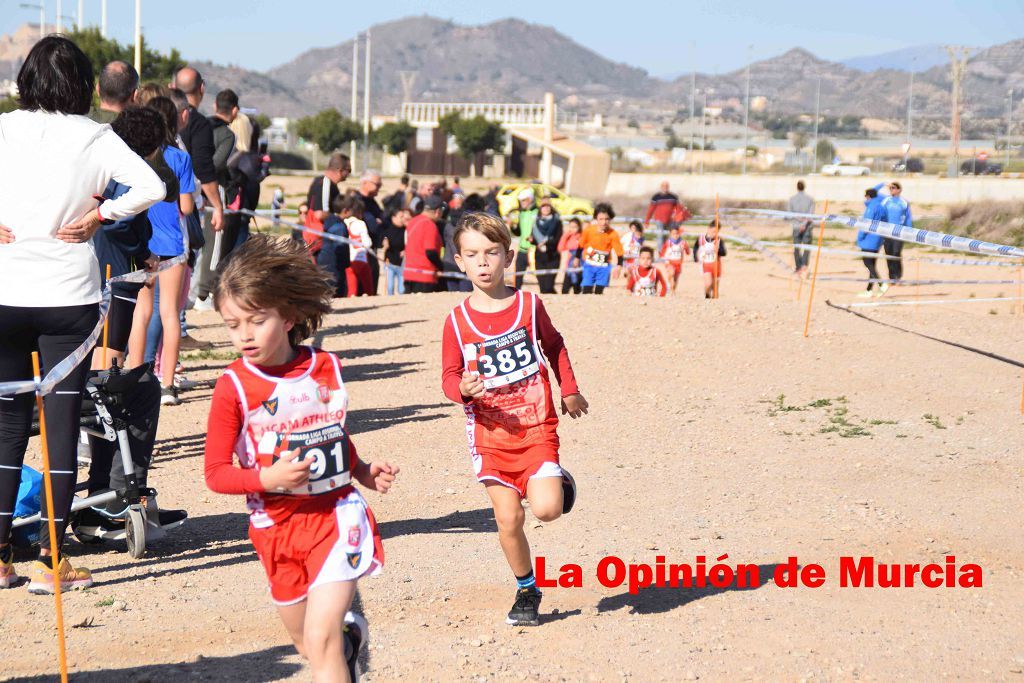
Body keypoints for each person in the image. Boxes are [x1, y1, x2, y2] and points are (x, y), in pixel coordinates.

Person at [0, 36, 164, 592]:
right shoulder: (95, 136)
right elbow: (153, 185)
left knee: (7, 426)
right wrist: (103, 216)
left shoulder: (3, 127)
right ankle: (52, 561)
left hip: (5, 290)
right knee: (62, 423)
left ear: (26, 79)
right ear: (84, 84)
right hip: (67, 297)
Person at [204, 234, 398, 681]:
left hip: (336, 517)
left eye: (256, 320)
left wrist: (363, 472)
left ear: (288, 316)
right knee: (306, 643)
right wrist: (267, 478)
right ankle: (350, 644)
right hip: (275, 530)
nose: (244, 335)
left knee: (321, 636)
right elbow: (216, 474)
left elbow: (332, 435)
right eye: (233, 324)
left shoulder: (326, 368)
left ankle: (338, 643)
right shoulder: (232, 387)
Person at [441, 212, 587, 626]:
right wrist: (461, 390)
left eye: (491, 252)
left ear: (508, 256)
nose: (483, 262)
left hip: (536, 426)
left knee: (546, 510)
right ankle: (527, 590)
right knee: (509, 519)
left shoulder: (528, 304)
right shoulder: (456, 320)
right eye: (473, 255)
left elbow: (554, 344)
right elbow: (449, 376)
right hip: (489, 434)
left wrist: (569, 388)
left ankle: (556, 481)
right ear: (460, 262)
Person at [127, 102, 195, 407]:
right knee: (170, 314)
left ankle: (132, 377)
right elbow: (187, 207)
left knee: (140, 313)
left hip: (143, 242)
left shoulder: (135, 157)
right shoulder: (180, 158)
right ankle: (167, 384)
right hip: (171, 245)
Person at [172, 67, 225, 310]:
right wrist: (217, 205)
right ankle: (179, 326)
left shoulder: (157, 117)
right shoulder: (199, 124)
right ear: (202, 88)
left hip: (156, 205)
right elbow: (204, 169)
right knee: (185, 264)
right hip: (186, 204)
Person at [304, 153, 352, 258]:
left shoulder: (323, 182)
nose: (349, 174)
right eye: (349, 171)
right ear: (340, 170)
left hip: (319, 240)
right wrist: (340, 216)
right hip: (320, 242)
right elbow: (320, 214)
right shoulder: (326, 183)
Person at [403, 196, 445, 293]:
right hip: (424, 276)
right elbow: (430, 251)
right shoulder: (430, 225)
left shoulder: (412, 222)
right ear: (438, 211)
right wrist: (441, 266)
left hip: (409, 273)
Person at [578, 203, 623, 295]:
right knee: (586, 289)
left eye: (607, 219)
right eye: (601, 219)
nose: (604, 222)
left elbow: (619, 251)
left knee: (599, 291)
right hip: (589, 265)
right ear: (596, 219)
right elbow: (581, 245)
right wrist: (576, 258)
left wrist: (619, 266)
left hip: (603, 267)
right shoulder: (589, 230)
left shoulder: (613, 234)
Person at [317, 194, 352, 298]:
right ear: (345, 210)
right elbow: (340, 248)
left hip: (324, 263)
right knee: (337, 293)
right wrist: (346, 262)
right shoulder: (339, 226)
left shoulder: (329, 221)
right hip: (334, 266)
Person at [357, 171, 385, 295]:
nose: (379, 187)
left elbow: (382, 221)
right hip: (360, 251)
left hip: (372, 248)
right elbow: (373, 225)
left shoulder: (372, 202)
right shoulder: (357, 200)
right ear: (364, 183)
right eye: (377, 184)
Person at [857, 187, 887, 298]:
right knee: (872, 265)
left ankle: (881, 284)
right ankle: (869, 290)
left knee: (867, 263)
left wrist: (860, 237)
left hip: (869, 239)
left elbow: (866, 224)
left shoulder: (871, 207)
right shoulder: (881, 207)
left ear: (868, 196)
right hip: (878, 238)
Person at [880, 181, 912, 284]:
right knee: (888, 254)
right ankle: (892, 277)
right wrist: (882, 184)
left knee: (896, 253)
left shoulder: (904, 202)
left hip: (899, 233)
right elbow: (881, 214)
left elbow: (908, 218)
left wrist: (909, 232)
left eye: (893, 188)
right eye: (890, 188)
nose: (891, 190)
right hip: (886, 232)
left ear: (899, 189)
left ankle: (898, 276)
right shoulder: (886, 201)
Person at [442, 194, 474, 293]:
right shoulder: (468, 226)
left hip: (449, 263)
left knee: (453, 295)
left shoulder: (447, 226)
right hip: (464, 263)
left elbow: (444, 242)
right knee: (465, 296)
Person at [345, 194, 373, 298]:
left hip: (349, 260)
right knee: (368, 287)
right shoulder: (361, 223)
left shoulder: (345, 222)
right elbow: (367, 243)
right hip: (361, 259)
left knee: (352, 290)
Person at [532, 199, 563, 295]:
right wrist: (531, 240)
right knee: (542, 286)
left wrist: (546, 242)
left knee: (549, 285)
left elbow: (558, 238)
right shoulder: (536, 222)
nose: (545, 208)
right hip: (539, 256)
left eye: (548, 206)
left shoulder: (557, 221)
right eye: (543, 206)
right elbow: (533, 238)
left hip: (552, 256)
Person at [510, 188, 538, 290]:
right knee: (517, 277)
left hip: (534, 250)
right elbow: (519, 233)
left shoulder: (537, 212)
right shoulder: (521, 213)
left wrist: (534, 238)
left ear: (530, 199)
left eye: (523, 200)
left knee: (540, 278)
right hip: (522, 249)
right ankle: (516, 296)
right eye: (520, 201)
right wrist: (513, 226)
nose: (521, 203)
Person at [693, 218, 727, 299]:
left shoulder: (719, 240)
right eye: (713, 231)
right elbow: (695, 248)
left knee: (715, 289)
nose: (714, 233)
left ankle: (714, 305)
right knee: (708, 284)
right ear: (708, 229)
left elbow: (724, 253)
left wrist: (718, 250)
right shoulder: (701, 239)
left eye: (717, 232)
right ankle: (707, 295)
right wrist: (695, 257)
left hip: (716, 265)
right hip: (705, 265)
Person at [787, 180, 815, 276]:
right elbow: (810, 214)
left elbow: (790, 214)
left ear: (797, 187)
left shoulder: (791, 199)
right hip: (807, 226)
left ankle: (798, 267)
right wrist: (804, 224)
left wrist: (799, 223)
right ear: (804, 187)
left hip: (796, 226)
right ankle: (804, 266)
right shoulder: (810, 199)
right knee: (806, 247)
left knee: (796, 247)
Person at [382, 207, 410, 296]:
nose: (403, 219)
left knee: (402, 289)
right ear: (393, 218)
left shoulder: (406, 230)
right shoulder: (387, 230)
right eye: (400, 217)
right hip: (389, 263)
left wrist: (406, 251)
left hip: (402, 264)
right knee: (389, 287)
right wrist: (384, 244)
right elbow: (382, 241)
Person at [659, 225, 691, 294]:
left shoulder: (683, 242)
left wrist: (687, 251)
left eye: (677, 233)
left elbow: (688, 252)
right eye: (673, 234)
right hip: (669, 262)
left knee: (676, 279)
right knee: (671, 273)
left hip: (678, 263)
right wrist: (662, 257)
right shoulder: (668, 242)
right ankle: (670, 285)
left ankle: (672, 290)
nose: (675, 235)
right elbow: (662, 251)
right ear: (670, 234)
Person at [557, 217, 583, 295]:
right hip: (569, 265)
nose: (573, 229)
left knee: (577, 288)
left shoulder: (582, 236)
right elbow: (560, 248)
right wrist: (565, 236)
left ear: (579, 227)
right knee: (565, 289)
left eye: (575, 227)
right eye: (571, 227)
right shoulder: (568, 237)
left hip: (579, 264)